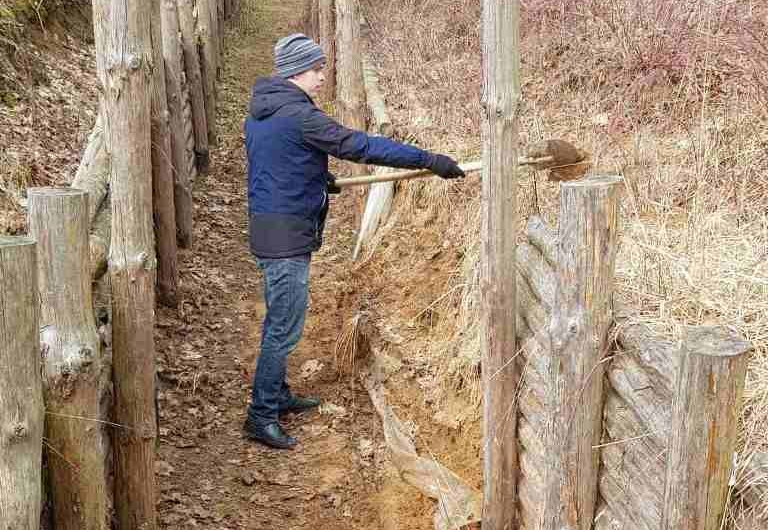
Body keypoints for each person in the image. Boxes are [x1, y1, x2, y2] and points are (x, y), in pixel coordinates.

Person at [243, 33, 465, 449]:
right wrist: (427, 159)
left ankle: (277, 393)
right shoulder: (300, 116)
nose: (323, 76)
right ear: (295, 71)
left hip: (270, 225)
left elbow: (275, 161)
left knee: (281, 318)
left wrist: (316, 179)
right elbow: (359, 146)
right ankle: (261, 414)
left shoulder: (262, 112)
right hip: (285, 236)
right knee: (283, 328)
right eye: (316, 68)